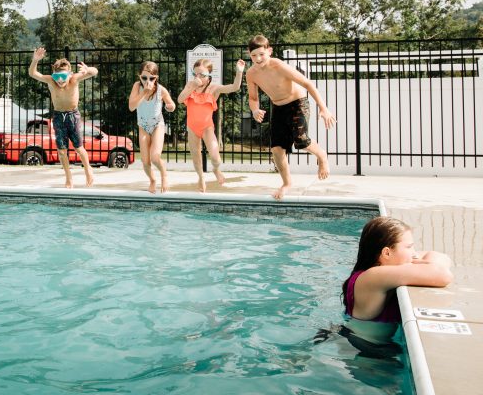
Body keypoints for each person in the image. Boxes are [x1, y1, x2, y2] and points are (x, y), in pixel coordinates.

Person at [336, 216, 453, 355]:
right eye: (409, 247)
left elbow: (440, 256)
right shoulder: (374, 275)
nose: (414, 253)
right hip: (363, 349)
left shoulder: (377, 271)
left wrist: (420, 263)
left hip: (368, 343)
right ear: (387, 252)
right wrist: (423, 264)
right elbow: (444, 275)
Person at [245, 34, 336, 200]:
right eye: (254, 55)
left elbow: (307, 83)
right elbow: (253, 98)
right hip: (278, 107)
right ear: (249, 54)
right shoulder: (251, 74)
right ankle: (286, 183)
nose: (258, 59)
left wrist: (323, 108)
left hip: (297, 104)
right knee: (276, 149)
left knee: (301, 140)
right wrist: (255, 110)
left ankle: (322, 155)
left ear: (269, 51)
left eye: (261, 54)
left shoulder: (279, 66)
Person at [28, 47, 98, 188]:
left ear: (70, 74)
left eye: (63, 77)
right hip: (58, 116)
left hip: (73, 116)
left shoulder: (74, 79)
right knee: (61, 150)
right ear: (53, 75)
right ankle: (68, 177)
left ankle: (88, 169)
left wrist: (88, 69)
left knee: (79, 148)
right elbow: (33, 73)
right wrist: (35, 60)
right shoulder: (51, 81)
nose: (60, 80)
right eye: (57, 77)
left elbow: (95, 72)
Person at [177, 58, 245, 193]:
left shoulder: (214, 89)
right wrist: (192, 87)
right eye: (195, 74)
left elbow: (234, 87)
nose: (198, 77)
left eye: (202, 75)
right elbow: (180, 100)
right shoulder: (190, 85)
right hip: (192, 127)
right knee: (196, 155)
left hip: (207, 128)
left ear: (209, 76)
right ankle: (201, 177)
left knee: (215, 158)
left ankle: (216, 169)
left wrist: (239, 72)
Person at [128, 61, 176, 193]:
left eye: (151, 78)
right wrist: (144, 93)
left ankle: (164, 175)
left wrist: (170, 107)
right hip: (143, 126)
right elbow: (131, 107)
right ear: (139, 76)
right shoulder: (137, 87)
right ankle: (152, 180)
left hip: (157, 125)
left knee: (155, 157)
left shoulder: (161, 90)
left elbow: (172, 105)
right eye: (144, 78)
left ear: (156, 78)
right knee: (145, 161)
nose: (147, 81)